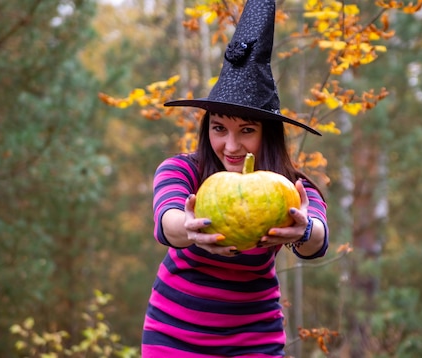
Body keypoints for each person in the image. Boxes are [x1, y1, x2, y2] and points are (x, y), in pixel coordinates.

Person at [141, 0, 329, 356]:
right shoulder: (182, 170)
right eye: (218, 128)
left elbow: (317, 239)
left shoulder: (289, 187)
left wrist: (303, 229)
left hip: (255, 339)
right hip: (174, 335)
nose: (230, 145)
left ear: (268, 133)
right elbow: (167, 222)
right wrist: (192, 227)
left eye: (246, 130)